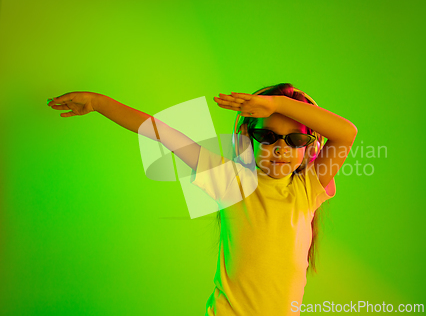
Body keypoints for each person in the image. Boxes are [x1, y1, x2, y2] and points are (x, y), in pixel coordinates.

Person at [47, 83, 357, 315]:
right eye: (267, 136)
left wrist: (276, 103)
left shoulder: (307, 189)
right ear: (249, 137)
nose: (280, 149)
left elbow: (346, 133)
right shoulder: (230, 180)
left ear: (309, 144)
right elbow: (162, 133)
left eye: (295, 139)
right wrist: (99, 103)